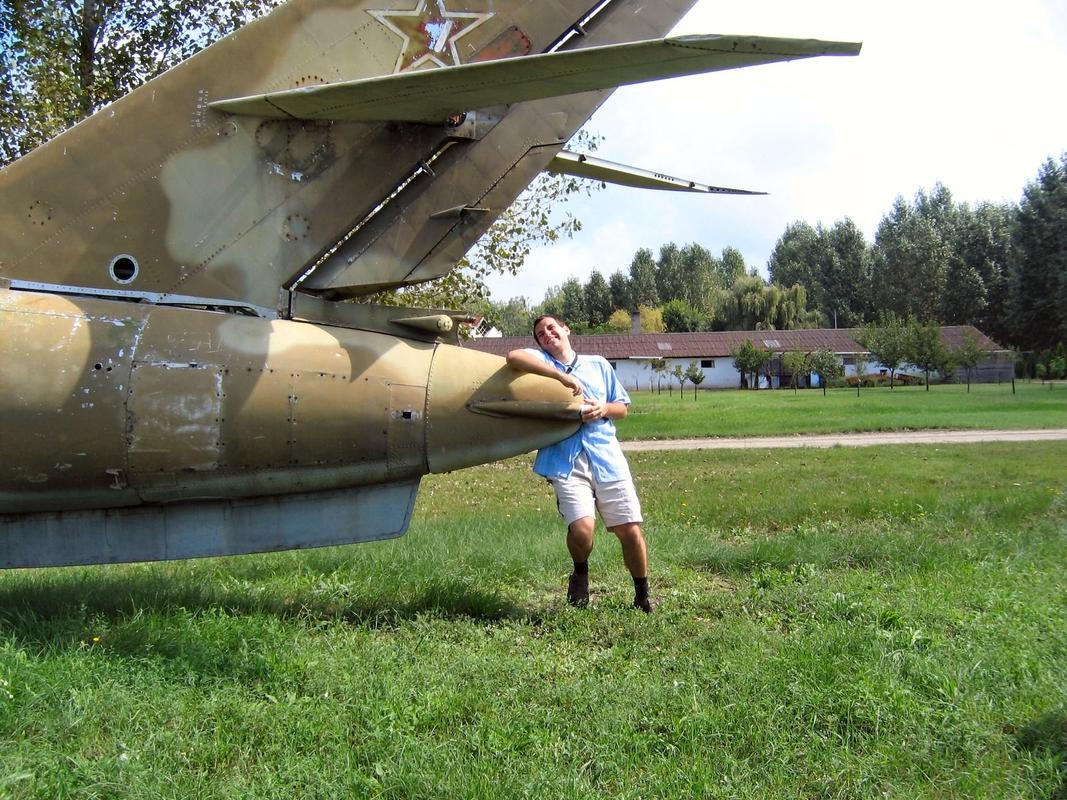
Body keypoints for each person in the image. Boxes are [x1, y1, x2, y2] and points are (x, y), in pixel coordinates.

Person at [506, 314, 653, 612]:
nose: (547, 334)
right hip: (565, 460)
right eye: (540, 334)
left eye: (551, 328)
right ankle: (580, 574)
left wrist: (603, 409)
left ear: (566, 329)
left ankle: (642, 596)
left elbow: (622, 408)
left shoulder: (597, 364)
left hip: (606, 458)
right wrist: (560, 377)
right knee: (583, 530)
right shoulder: (541, 363)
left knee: (630, 530)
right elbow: (513, 357)